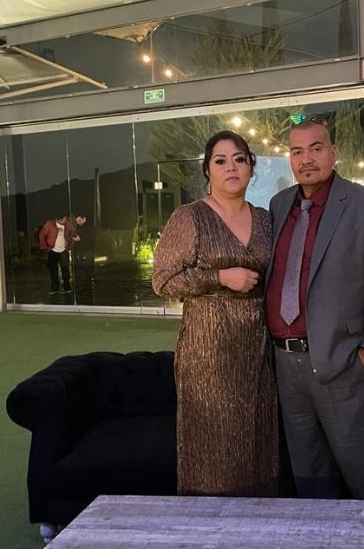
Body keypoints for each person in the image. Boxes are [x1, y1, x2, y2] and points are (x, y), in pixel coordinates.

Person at [266, 120, 364, 502]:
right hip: (286, 366)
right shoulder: (279, 205)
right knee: (309, 477)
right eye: (297, 151)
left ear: (333, 153)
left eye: (316, 148)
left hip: (343, 364)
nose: (306, 159)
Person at [152, 130, 278, 497]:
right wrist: (220, 277)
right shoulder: (190, 216)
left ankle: (257, 516)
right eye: (220, 161)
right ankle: (208, 517)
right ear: (207, 170)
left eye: (239, 159)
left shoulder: (265, 219)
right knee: (214, 445)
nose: (231, 168)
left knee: (257, 436)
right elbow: (162, 281)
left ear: (251, 167)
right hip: (208, 349)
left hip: (257, 348)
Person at [39, 213, 76, 294]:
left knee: (65, 269)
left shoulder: (68, 225)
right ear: (57, 219)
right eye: (62, 220)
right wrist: (45, 246)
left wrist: (69, 246)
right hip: (52, 250)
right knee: (53, 270)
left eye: (65, 219)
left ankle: (67, 287)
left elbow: (73, 235)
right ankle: (54, 288)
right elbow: (42, 235)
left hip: (64, 250)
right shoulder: (49, 224)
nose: (64, 221)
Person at [72, 214, 97, 303]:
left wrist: (80, 239)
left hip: (87, 250)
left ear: (84, 219)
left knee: (87, 269)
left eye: (79, 220)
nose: (78, 222)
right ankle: (85, 286)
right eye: (77, 221)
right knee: (82, 268)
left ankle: (88, 286)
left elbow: (92, 239)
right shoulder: (79, 227)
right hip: (80, 250)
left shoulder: (90, 227)